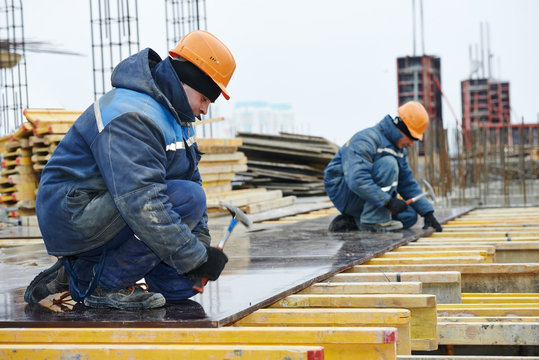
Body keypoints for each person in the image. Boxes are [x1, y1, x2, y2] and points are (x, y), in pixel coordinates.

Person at [23, 30, 236, 310]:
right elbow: (143, 202)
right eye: (206, 99)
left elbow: (190, 180)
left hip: (108, 212)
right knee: (187, 199)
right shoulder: (135, 114)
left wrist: (201, 250)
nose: (205, 110)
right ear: (189, 81)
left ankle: (79, 271)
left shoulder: (176, 119)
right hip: (73, 213)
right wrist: (195, 256)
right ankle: (102, 284)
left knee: (180, 286)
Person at [324, 101, 443, 233]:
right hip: (346, 193)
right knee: (389, 164)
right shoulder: (366, 139)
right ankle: (373, 221)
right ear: (402, 129)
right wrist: (388, 201)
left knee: (409, 216)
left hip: (367, 196)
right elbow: (356, 180)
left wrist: (427, 212)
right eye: (412, 138)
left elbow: (406, 183)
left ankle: (353, 221)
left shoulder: (397, 150)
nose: (410, 144)